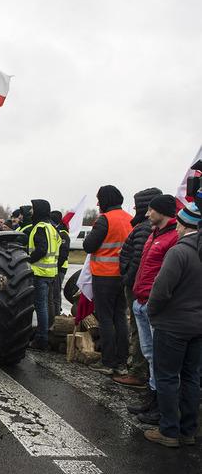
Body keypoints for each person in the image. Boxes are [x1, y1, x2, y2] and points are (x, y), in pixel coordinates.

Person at [143, 204, 202, 448]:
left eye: (178, 223)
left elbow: (161, 289)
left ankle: (168, 431)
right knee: (191, 377)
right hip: (198, 326)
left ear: (183, 224)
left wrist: (152, 311)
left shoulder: (179, 252)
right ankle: (189, 430)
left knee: (167, 377)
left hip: (173, 325)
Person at [123, 195, 178, 425]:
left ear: (162, 212)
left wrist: (155, 302)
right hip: (141, 301)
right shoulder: (154, 234)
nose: (146, 214)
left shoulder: (173, 239)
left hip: (155, 306)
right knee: (149, 355)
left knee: (160, 358)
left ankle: (161, 407)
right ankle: (152, 398)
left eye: (151, 210)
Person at [83, 185, 133, 376]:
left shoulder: (105, 219)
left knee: (105, 318)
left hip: (104, 276)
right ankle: (121, 361)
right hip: (123, 275)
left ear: (105, 200)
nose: (97, 203)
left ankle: (108, 361)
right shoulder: (129, 219)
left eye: (99, 199)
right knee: (120, 317)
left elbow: (88, 246)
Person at [116, 187, 162, 391]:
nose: (134, 207)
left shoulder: (144, 228)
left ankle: (138, 372)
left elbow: (139, 260)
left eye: (138, 204)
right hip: (137, 284)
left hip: (137, 287)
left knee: (139, 328)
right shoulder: (145, 227)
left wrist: (127, 278)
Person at [27, 199, 61, 351]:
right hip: (51, 273)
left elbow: (41, 250)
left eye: (33, 209)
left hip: (39, 272)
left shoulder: (40, 227)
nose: (30, 212)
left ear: (39, 210)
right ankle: (45, 334)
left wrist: (27, 259)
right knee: (46, 305)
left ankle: (41, 339)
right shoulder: (53, 228)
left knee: (40, 306)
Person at [48, 210, 70, 326]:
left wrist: (57, 267)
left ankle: (57, 316)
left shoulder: (63, 233)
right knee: (53, 294)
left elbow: (63, 254)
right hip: (55, 268)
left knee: (56, 293)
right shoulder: (56, 231)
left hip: (60, 268)